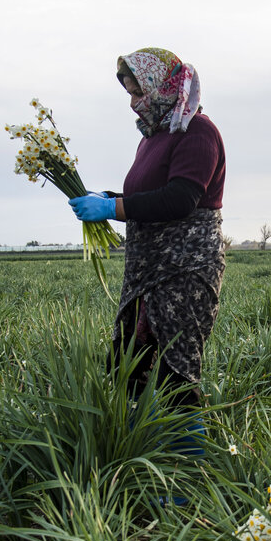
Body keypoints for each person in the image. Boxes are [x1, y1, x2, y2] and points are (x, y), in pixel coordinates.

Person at [68, 47, 226, 456]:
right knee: (130, 363)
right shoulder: (154, 140)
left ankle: (187, 477)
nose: (134, 103)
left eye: (138, 92)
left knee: (176, 371)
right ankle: (141, 450)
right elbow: (146, 195)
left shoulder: (199, 133)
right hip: (147, 273)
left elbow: (179, 199)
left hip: (185, 272)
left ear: (163, 86)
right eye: (129, 95)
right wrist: (109, 198)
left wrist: (114, 208)